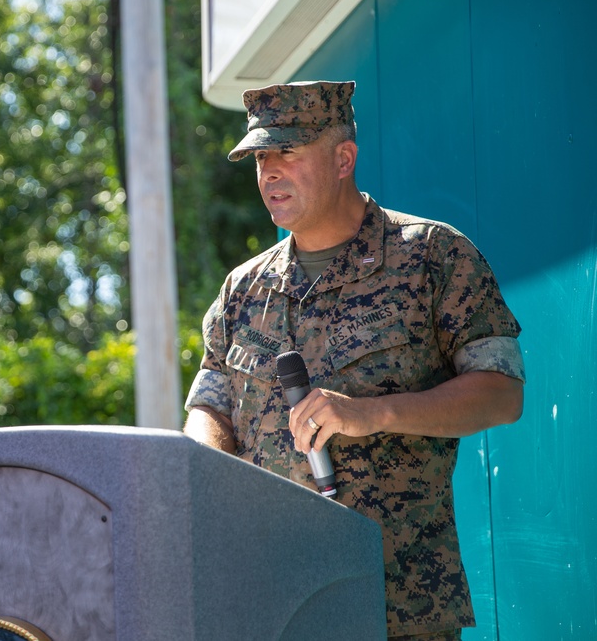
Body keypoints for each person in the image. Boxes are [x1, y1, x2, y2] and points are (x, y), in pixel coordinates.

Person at [183, 80, 525, 640]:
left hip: (396, 606)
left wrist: (373, 414)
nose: (269, 172)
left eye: (287, 152)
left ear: (344, 158)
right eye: (260, 158)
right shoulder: (243, 290)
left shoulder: (432, 257)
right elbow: (211, 407)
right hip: (271, 605)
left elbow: (502, 392)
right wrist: (198, 473)